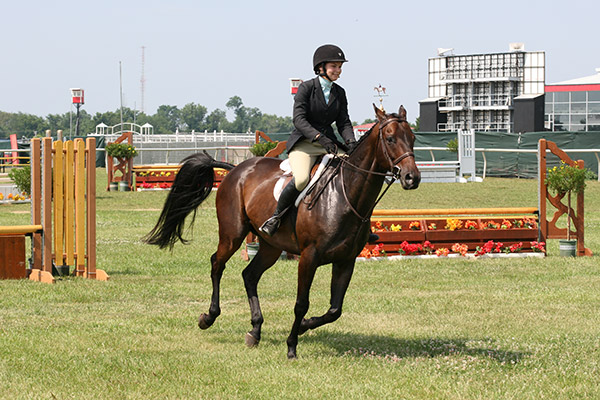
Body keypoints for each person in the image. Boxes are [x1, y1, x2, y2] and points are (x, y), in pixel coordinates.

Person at [259, 44, 358, 236]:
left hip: (328, 145)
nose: (338, 71)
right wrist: (319, 137)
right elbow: (299, 119)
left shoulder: (340, 92)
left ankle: (356, 225)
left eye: (340, 67)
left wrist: (351, 141)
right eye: (334, 66)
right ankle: (276, 217)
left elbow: (344, 122)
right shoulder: (306, 88)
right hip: (305, 145)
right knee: (302, 178)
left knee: (354, 173)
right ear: (321, 68)